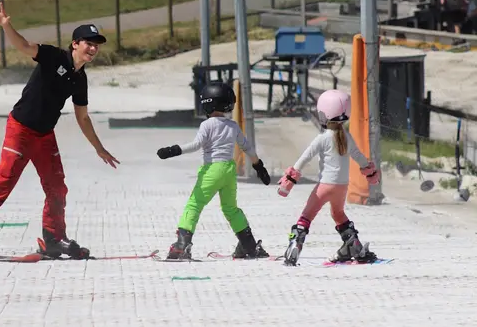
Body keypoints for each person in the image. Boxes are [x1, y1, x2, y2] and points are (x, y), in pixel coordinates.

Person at [0, 1, 120, 260]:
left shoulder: (80, 79)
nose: (93, 48)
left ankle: (54, 239)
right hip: (20, 129)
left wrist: (99, 148)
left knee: (57, 188)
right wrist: (6, 26)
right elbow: (23, 46)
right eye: (88, 42)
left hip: (44, 135)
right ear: (75, 43)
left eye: (96, 44)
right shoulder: (54, 56)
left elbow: (83, 118)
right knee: (4, 183)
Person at [155, 82, 273, 260]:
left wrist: (173, 150)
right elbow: (247, 147)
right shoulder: (233, 126)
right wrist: (259, 167)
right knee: (231, 209)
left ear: (207, 104)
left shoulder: (207, 125)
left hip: (212, 170)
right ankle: (249, 246)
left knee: (194, 205)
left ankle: (181, 246)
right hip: (229, 171)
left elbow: (196, 145)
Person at [277, 89, 380, 266]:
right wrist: (369, 171)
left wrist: (291, 177)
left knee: (307, 216)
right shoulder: (347, 136)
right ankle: (353, 245)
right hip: (341, 187)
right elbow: (359, 157)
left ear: (323, 113)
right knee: (338, 214)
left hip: (324, 186)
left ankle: (295, 244)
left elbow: (304, 158)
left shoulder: (322, 138)